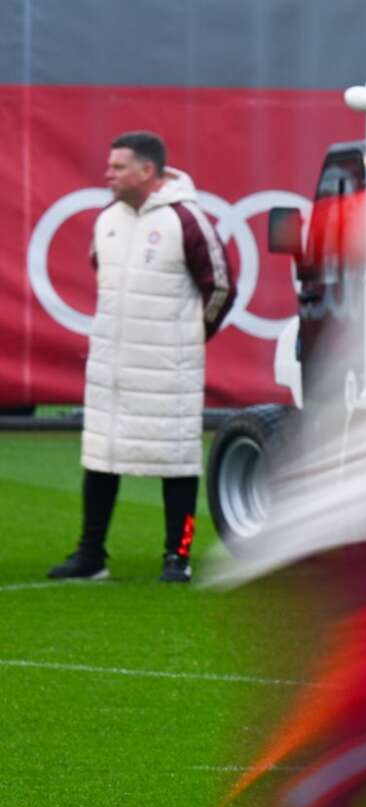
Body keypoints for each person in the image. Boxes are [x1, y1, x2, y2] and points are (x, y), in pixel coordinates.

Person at [49, 131, 233, 584]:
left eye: (117, 167)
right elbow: (104, 276)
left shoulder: (187, 220)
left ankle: (179, 555)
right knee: (101, 455)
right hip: (111, 364)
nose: (107, 174)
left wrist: (190, 337)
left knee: (176, 459)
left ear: (147, 171)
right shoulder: (107, 220)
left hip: (169, 365)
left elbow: (221, 287)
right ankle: (91, 555)